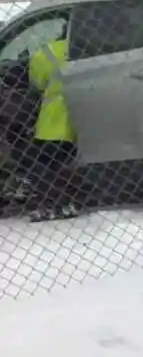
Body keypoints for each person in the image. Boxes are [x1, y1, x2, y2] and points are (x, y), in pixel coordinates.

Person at [24, 20, 83, 222]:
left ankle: (49, 204)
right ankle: (67, 203)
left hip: (53, 119)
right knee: (64, 161)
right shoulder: (86, 49)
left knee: (40, 161)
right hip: (84, 116)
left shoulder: (44, 53)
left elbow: (37, 83)